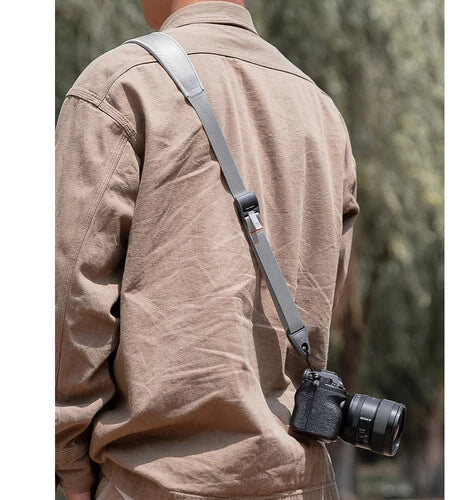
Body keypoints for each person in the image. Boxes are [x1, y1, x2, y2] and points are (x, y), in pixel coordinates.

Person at [55, 0, 359, 498]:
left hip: (154, 480)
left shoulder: (122, 85)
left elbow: (71, 300)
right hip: (300, 483)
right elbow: (324, 296)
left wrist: (70, 466)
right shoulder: (322, 111)